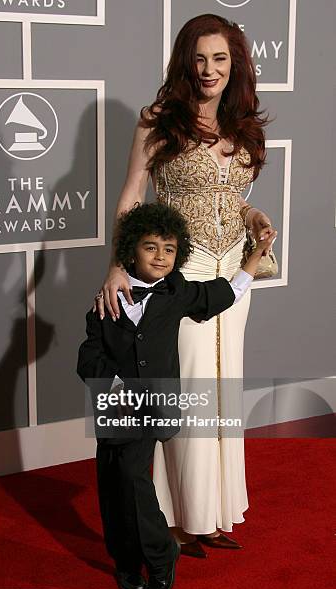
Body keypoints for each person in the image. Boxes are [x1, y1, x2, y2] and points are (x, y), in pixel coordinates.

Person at [95, 14, 276, 556]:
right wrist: (116, 265)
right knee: (192, 390)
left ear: (235, 65)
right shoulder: (159, 121)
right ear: (184, 62)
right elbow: (131, 195)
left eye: (220, 59)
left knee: (225, 389)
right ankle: (182, 517)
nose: (209, 69)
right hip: (184, 274)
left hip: (235, 272)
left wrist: (252, 218)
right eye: (199, 58)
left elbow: (228, 194)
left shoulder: (242, 125)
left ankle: (214, 513)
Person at [78, 203, 276, 589]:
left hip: (156, 405)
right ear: (131, 250)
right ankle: (126, 561)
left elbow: (225, 293)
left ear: (178, 254)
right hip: (114, 408)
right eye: (151, 248)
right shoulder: (106, 298)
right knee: (111, 483)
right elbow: (88, 353)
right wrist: (112, 385)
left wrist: (255, 255)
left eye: (169, 249)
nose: (160, 257)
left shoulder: (178, 293)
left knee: (132, 478)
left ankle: (161, 554)